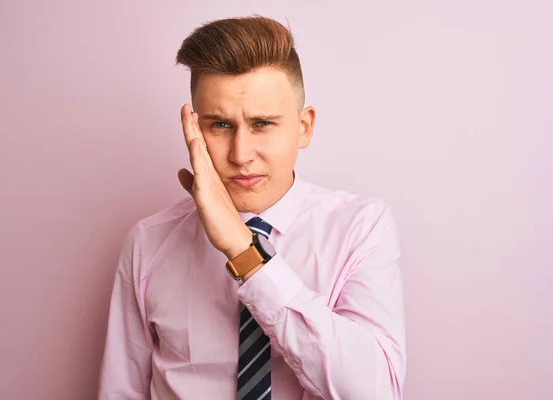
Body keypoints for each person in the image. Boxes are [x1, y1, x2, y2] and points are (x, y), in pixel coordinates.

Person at [98, 15, 406, 400]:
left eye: (262, 124)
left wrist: (245, 252)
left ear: (304, 126)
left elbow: (376, 392)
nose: (241, 155)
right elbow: (120, 391)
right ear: (193, 128)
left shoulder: (361, 229)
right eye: (220, 126)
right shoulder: (148, 242)